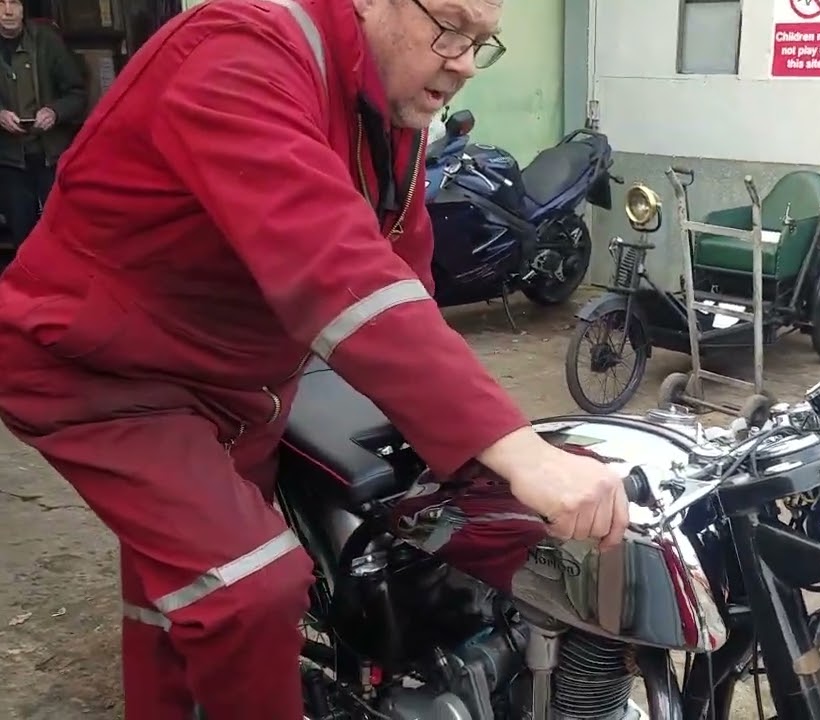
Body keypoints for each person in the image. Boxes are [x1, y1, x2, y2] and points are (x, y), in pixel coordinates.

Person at [0, 0, 628, 718]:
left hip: (238, 382)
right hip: (104, 374)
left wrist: (459, 436)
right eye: (449, 27)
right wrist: (519, 452)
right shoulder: (235, 56)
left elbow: (403, 273)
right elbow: (332, 264)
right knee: (248, 588)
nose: (461, 62)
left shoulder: (389, 106)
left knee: (182, 586)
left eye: (482, 43)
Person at [0, 0, 85, 245]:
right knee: (23, 236)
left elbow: (77, 93)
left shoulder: (47, 42)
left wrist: (55, 112)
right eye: (1, 3)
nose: (7, 10)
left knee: (61, 233)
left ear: (23, 7)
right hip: (8, 161)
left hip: (50, 155)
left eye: (14, 2)